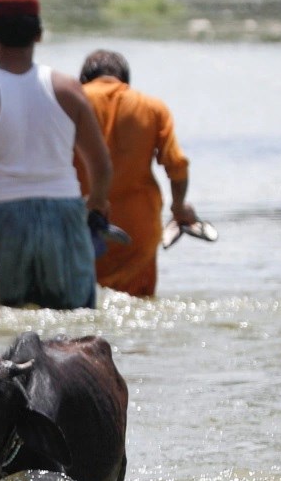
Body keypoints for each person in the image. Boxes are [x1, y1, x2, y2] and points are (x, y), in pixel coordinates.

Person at [0, 0, 115, 309]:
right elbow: (101, 165)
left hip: (1, 217)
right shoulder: (67, 88)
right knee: (73, 326)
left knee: (5, 330)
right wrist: (95, 204)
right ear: (38, 34)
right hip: (63, 214)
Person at [80, 49, 198, 298]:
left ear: (85, 79)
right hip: (137, 231)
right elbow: (177, 165)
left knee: (73, 317)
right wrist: (179, 208)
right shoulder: (152, 108)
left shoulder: (72, 101)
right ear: (125, 80)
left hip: (81, 225)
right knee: (138, 308)